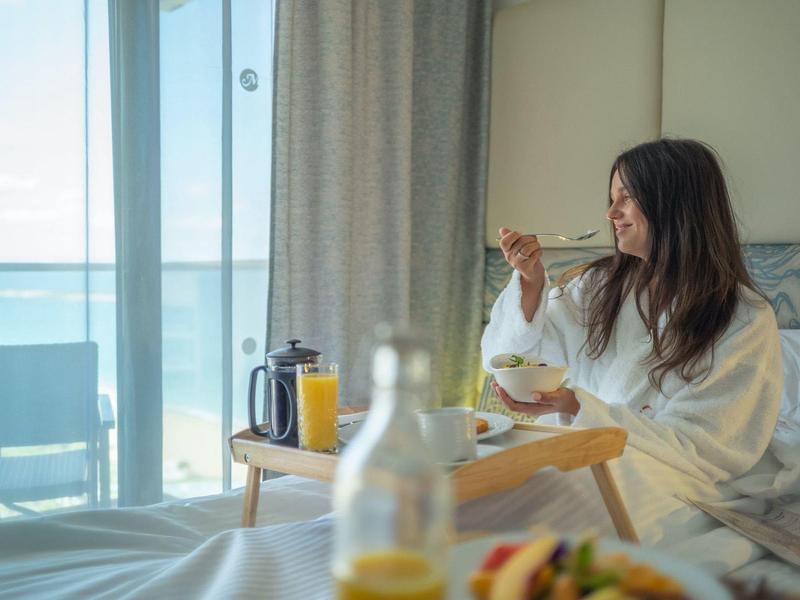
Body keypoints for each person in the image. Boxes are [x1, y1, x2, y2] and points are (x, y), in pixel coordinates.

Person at [482, 138, 782, 484]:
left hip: (670, 478)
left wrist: (580, 408)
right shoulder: (596, 286)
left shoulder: (743, 317)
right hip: (576, 449)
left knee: (548, 499)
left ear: (674, 203)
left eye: (626, 197)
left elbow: (707, 448)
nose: (611, 214)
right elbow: (510, 359)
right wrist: (531, 283)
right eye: (612, 200)